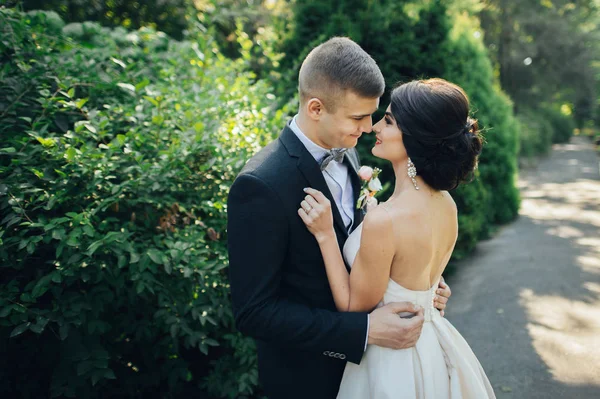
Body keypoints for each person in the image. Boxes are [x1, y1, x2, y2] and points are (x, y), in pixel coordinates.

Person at [227, 38, 452, 399]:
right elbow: (254, 313)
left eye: (373, 115)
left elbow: (373, 253)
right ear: (316, 108)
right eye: (358, 117)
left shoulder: (347, 151)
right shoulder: (260, 186)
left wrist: (419, 287)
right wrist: (362, 331)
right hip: (309, 380)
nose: (369, 128)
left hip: (381, 373)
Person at [299, 78, 496, 398]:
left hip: (391, 361)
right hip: (433, 348)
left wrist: (325, 236)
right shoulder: (447, 204)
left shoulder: (385, 220)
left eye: (388, 121)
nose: (375, 126)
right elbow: (418, 275)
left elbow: (352, 308)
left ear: (415, 138)